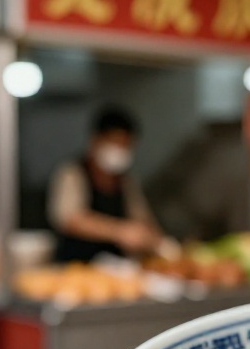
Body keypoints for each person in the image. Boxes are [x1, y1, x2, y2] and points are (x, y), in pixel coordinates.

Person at [49, 106, 165, 263]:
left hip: (117, 271)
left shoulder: (126, 182)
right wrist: (119, 231)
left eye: (126, 146)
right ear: (96, 140)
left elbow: (143, 219)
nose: (120, 150)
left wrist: (156, 241)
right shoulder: (72, 173)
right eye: (115, 143)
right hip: (74, 268)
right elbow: (69, 219)